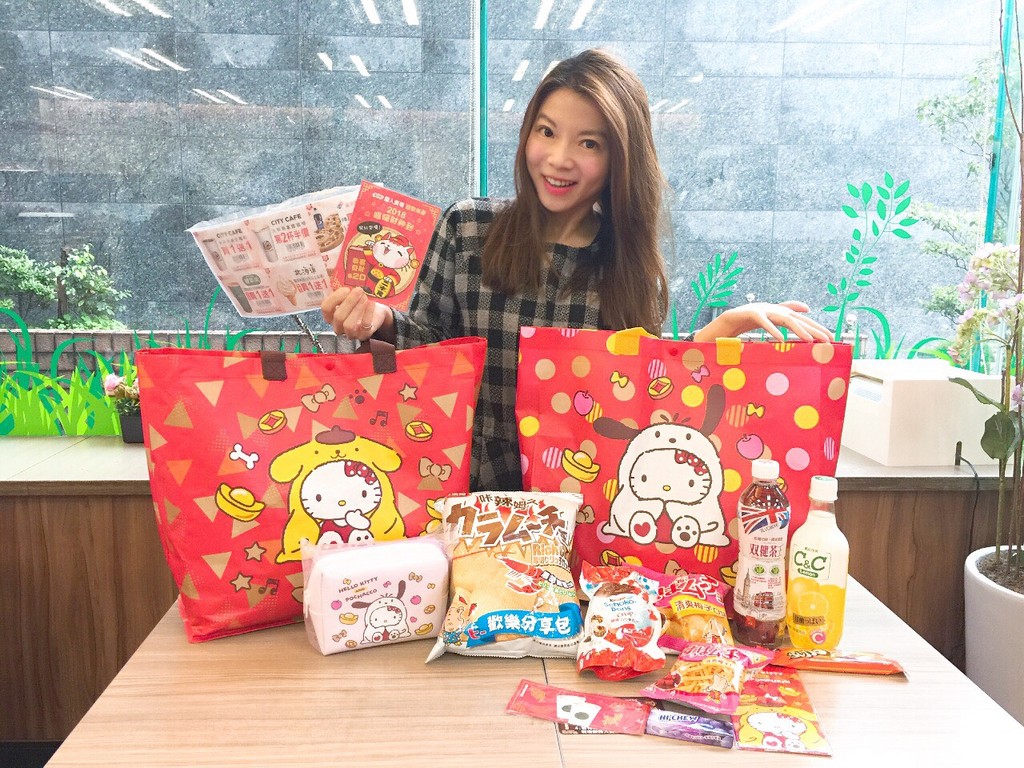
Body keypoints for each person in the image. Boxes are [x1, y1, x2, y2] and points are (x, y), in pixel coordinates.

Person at [322, 48, 831, 492]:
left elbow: (642, 397)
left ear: (619, 160)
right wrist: (379, 321)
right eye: (547, 132)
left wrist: (719, 331)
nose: (558, 158)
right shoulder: (467, 227)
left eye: (589, 143)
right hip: (464, 493)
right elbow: (431, 351)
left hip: (576, 502)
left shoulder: (628, 268)